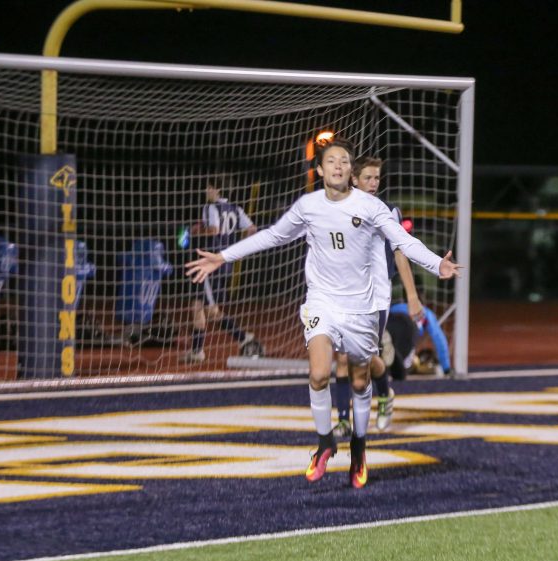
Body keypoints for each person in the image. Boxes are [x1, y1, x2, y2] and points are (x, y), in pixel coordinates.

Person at [186, 140, 461, 489]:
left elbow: (402, 243)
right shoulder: (309, 206)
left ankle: (359, 449)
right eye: (330, 161)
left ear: (350, 171)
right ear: (319, 170)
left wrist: (438, 264)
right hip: (322, 303)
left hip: (361, 307)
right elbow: (272, 236)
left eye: (344, 161)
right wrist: (223, 257)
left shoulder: (371, 207)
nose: (337, 166)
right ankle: (325, 443)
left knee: (360, 381)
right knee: (319, 374)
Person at [351, 156, 426, 431]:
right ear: (354, 179)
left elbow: (400, 252)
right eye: (368, 178)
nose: (373, 184)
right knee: (339, 359)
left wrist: (412, 295)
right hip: (344, 296)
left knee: (366, 360)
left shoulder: (387, 211)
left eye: (377, 178)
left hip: (375, 297)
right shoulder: (336, 210)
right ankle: (345, 423)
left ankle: (383, 395)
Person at [181, 174, 259, 364]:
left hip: (211, 264)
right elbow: (252, 229)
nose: (206, 191)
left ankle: (243, 338)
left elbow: (214, 230)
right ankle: (197, 351)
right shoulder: (236, 209)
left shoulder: (210, 207)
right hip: (225, 261)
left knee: (211, 310)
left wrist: (195, 231)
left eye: (209, 188)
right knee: (197, 306)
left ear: (216, 190)